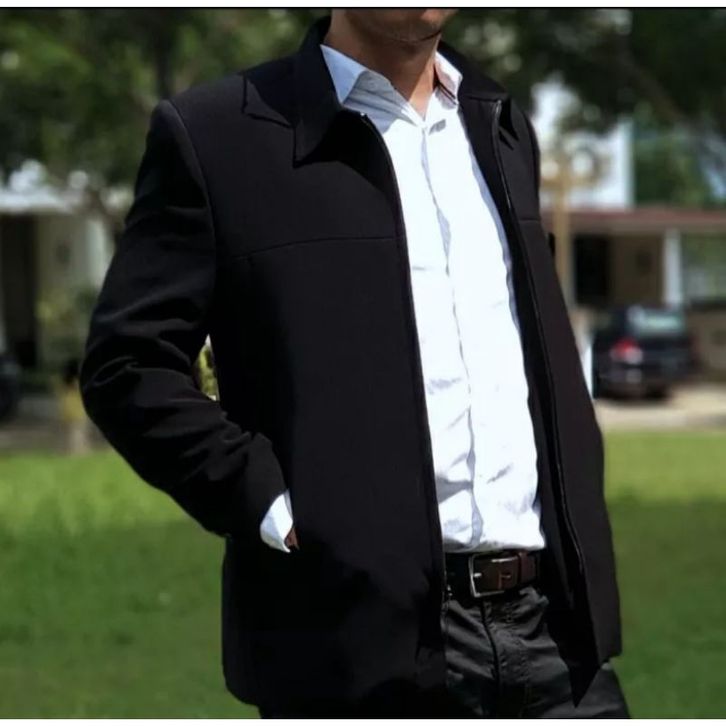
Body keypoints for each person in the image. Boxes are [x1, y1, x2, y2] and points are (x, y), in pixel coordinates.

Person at [79, 9, 630, 718]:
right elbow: (127, 364)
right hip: (354, 648)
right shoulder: (217, 134)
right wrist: (265, 500)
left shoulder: (499, 123)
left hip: (554, 636)